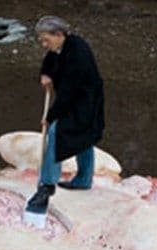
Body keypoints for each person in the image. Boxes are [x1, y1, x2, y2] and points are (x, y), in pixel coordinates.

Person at [25, 16, 105, 215]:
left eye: (46, 40)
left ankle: (47, 185)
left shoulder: (77, 54)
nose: (44, 44)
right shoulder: (63, 45)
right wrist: (46, 72)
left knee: (57, 132)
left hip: (84, 101)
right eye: (41, 40)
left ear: (59, 34)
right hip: (77, 97)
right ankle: (84, 180)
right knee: (84, 137)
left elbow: (68, 93)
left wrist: (50, 116)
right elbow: (51, 57)